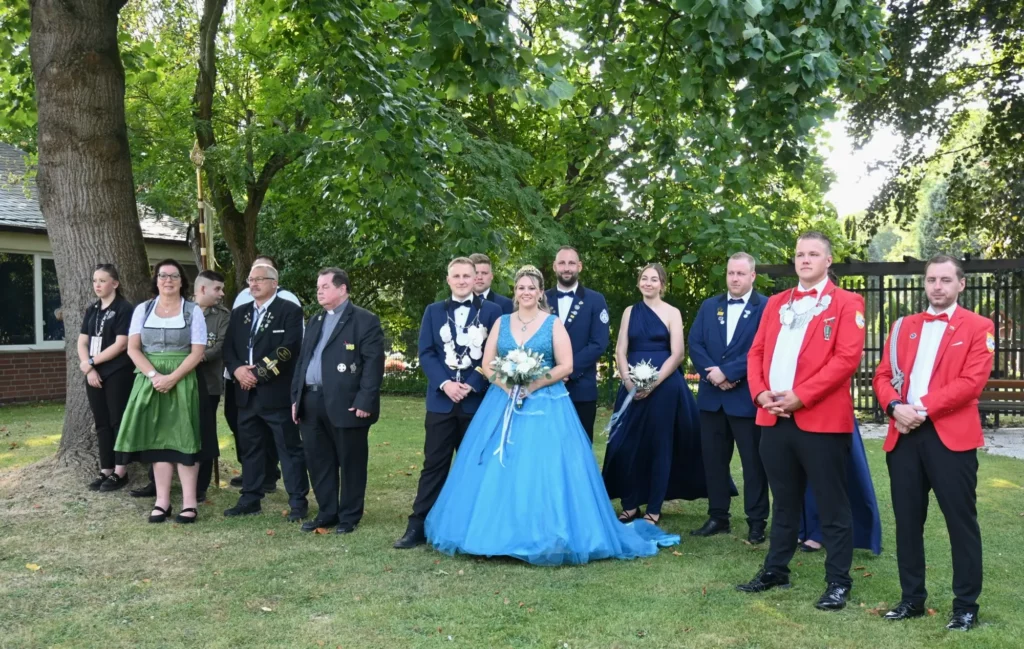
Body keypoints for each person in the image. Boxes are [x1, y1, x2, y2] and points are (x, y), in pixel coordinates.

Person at [425, 265, 679, 565]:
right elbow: (488, 361)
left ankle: (546, 533)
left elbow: (566, 365)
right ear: (515, 292)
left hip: (546, 402)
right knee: (498, 468)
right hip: (502, 400)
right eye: (521, 288)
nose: (526, 293)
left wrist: (534, 382)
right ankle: (494, 532)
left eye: (531, 288)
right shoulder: (502, 322)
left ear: (540, 292)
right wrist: (507, 384)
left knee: (542, 468)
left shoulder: (552, 323)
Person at [736, 231, 866, 611]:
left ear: (828, 261)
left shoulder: (847, 302)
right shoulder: (776, 302)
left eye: (813, 254)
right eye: (799, 254)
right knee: (785, 500)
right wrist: (760, 393)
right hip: (773, 417)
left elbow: (846, 360)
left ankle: (838, 581)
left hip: (820, 420)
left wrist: (801, 397)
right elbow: (756, 351)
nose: (804, 260)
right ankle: (776, 569)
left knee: (832, 504)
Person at [873, 255, 994, 632]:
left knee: (961, 523)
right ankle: (911, 599)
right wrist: (895, 407)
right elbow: (880, 375)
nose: (937, 287)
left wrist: (918, 408)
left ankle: (966, 607)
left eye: (945, 280)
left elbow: (971, 383)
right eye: (931, 280)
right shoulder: (904, 325)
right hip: (904, 435)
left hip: (950, 437)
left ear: (961, 284)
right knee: (908, 522)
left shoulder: (978, 326)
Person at [394, 257, 503, 549]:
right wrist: (446, 384)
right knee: (434, 465)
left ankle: (475, 527)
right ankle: (418, 525)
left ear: (476, 278)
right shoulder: (433, 312)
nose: (463, 280)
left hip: (476, 402)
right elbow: (427, 352)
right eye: (457, 276)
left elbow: (493, 355)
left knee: (476, 465)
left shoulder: (493, 312)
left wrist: (471, 383)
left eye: (468, 275)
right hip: (441, 402)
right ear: (448, 279)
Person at [602, 263, 709, 525]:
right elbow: (620, 350)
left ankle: (654, 506)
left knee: (660, 444)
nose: (648, 283)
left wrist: (653, 383)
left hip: (665, 386)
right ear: (639, 282)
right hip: (631, 385)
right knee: (626, 443)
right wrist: (629, 381)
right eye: (644, 278)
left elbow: (678, 354)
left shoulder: (672, 312)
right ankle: (629, 503)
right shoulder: (630, 311)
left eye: (653, 279)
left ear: (662, 284)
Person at [291, 268, 385, 534]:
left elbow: (373, 365)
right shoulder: (315, 320)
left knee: (351, 461)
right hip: (311, 400)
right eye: (318, 286)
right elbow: (303, 361)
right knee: (318, 461)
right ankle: (326, 512)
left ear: (342, 289)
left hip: (347, 403)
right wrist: (296, 398)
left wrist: (365, 400)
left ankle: (349, 516)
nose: (319, 291)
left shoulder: (364, 320)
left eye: (325, 286)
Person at [114, 260, 207, 524]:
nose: (168, 280)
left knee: (184, 439)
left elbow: (198, 352)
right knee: (158, 441)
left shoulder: (192, 311)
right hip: (150, 379)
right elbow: (133, 349)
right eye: (163, 276)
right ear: (156, 280)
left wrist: (173, 378)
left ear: (181, 281)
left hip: (183, 379)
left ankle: (189, 503)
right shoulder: (143, 310)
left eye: (174, 276)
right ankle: (162, 501)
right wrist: (155, 376)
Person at [687, 252, 769, 543]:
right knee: (714, 461)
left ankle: (756, 521)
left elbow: (763, 350)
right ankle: (718, 516)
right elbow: (694, 343)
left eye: (740, 274)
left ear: (752, 276)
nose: (734, 278)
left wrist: (729, 372)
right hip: (711, 398)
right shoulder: (710, 306)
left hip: (746, 398)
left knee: (753, 464)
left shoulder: (766, 308)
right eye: (731, 273)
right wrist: (713, 375)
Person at [128, 270, 230, 502]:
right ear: (202, 289)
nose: (221, 294)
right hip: (167, 377)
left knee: (198, 433)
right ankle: (156, 485)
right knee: (160, 430)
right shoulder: (167, 310)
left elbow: (218, 346)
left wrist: (185, 361)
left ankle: (198, 488)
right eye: (217, 289)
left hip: (205, 382)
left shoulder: (221, 315)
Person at [222, 262, 309, 520]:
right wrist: (238, 371)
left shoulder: (289, 311)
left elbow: (288, 348)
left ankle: (297, 502)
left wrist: (256, 374)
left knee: (288, 449)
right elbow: (229, 349)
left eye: (260, 279)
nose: (253, 283)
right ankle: (250, 498)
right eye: (250, 279)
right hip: (245, 395)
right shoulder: (240, 313)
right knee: (250, 448)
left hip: (277, 393)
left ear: (274, 283)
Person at [77, 264, 134, 492]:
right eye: (94, 280)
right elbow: (82, 341)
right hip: (94, 374)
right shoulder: (92, 309)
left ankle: (121, 471)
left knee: (117, 420)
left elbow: (122, 344)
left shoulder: (124, 308)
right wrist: (88, 369)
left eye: (102, 280)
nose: (97, 285)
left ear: (115, 284)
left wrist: (92, 362)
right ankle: (106, 469)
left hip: (117, 372)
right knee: (101, 422)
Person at [544, 246, 610, 441]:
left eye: (571, 263)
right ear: (555, 266)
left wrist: (567, 370)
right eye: (562, 263)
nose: (567, 268)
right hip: (546, 386)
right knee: (548, 446)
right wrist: (552, 372)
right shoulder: (542, 299)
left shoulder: (596, 300)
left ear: (579, 266)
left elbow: (598, 343)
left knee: (580, 446)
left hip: (582, 388)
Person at [798, 418, 882, 556]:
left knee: (827, 471)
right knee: (796, 469)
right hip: (792, 414)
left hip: (829, 413)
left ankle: (820, 531)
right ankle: (801, 527)